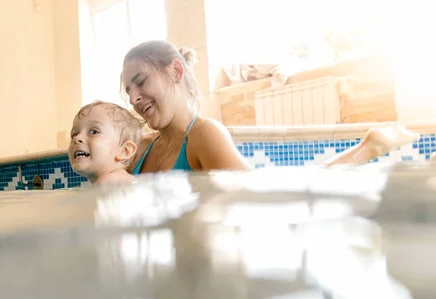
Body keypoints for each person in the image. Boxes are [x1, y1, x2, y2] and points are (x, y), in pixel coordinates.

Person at [120, 40, 419, 174]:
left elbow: (259, 209)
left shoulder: (203, 137)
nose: (134, 98)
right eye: (128, 89)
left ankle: (370, 147)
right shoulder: (141, 148)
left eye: (141, 82)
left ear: (176, 71)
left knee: (303, 190)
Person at [68, 100, 142, 185]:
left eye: (94, 132)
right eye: (74, 134)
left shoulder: (108, 182)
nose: (77, 138)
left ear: (124, 151)